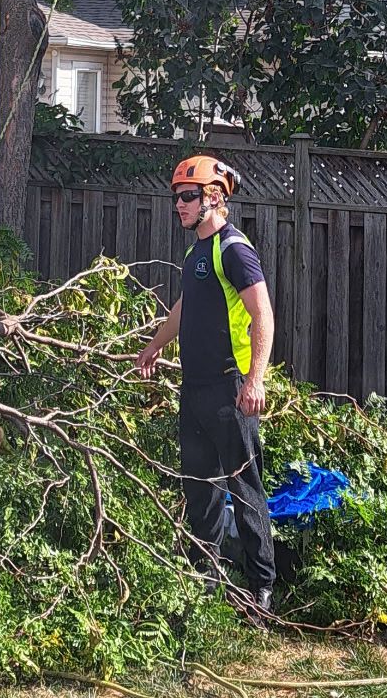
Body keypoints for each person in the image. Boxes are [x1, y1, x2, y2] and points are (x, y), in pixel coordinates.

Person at [134, 153, 276, 612]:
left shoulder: (233, 249)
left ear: (213, 198)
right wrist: (154, 346)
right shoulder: (196, 251)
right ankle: (205, 583)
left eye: (188, 196)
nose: (180, 204)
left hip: (230, 389)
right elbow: (184, 307)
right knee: (200, 488)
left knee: (245, 488)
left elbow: (263, 314)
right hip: (193, 388)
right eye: (177, 197)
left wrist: (255, 381)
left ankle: (262, 589)